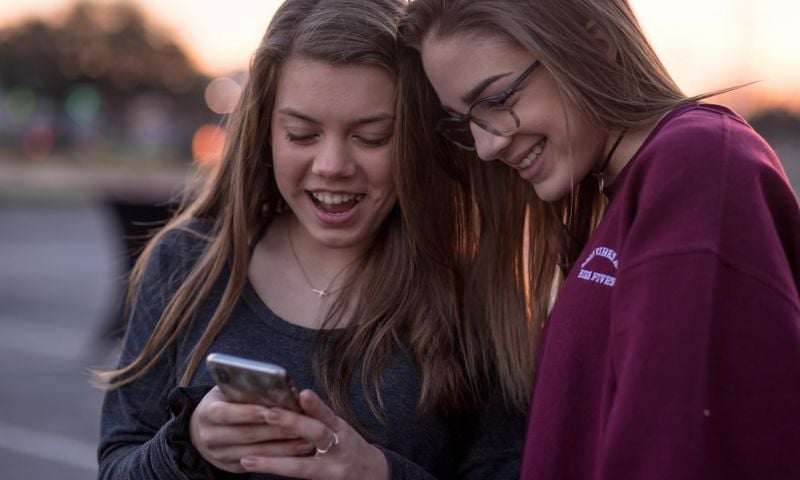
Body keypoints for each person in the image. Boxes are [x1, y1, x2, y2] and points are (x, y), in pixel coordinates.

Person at [95, 0, 532, 479]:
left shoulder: (473, 294)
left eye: (371, 137)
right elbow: (117, 465)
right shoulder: (187, 264)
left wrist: (377, 474)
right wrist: (188, 444)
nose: (331, 165)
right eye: (301, 134)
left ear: (419, 138)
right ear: (265, 132)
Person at [396, 0, 800, 479]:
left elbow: (680, 451)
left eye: (499, 100)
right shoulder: (626, 195)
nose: (486, 147)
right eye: (465, 120)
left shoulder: (696, 166)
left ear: (595, 43)